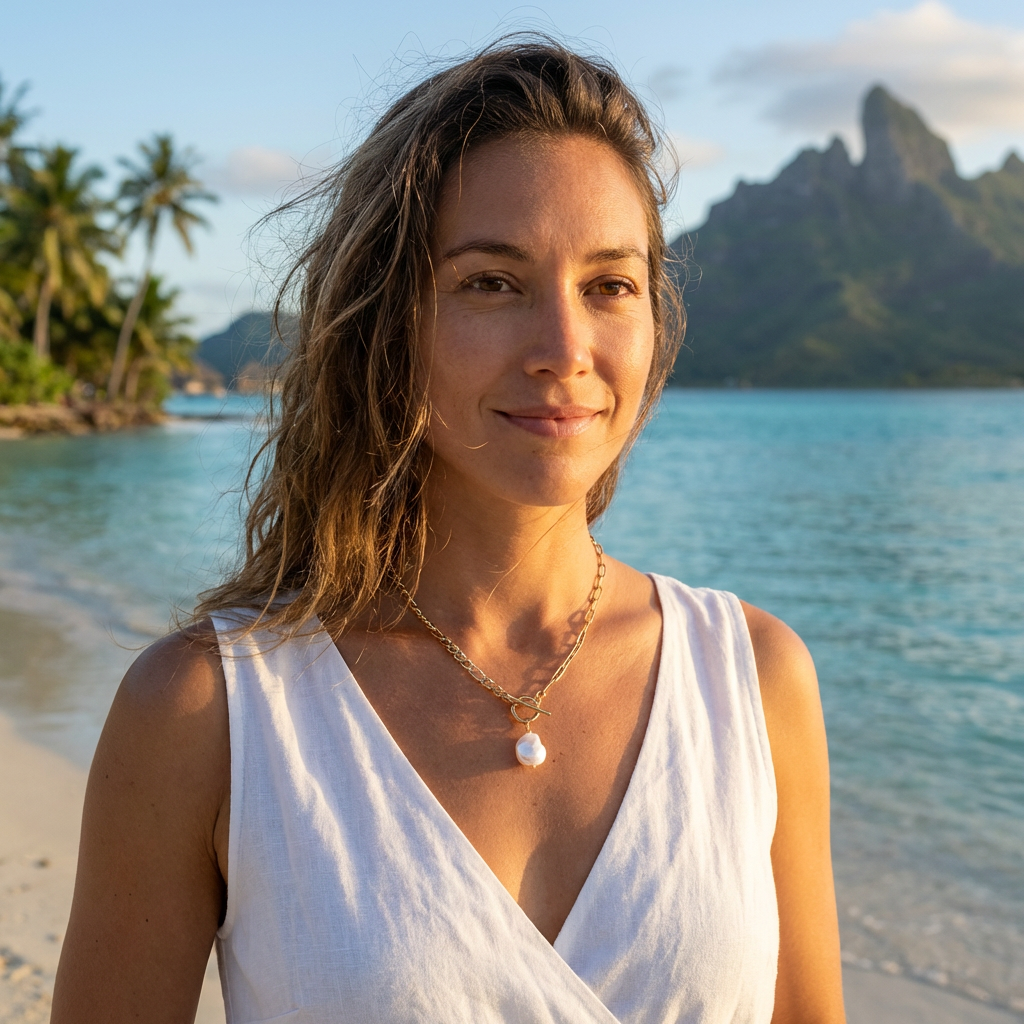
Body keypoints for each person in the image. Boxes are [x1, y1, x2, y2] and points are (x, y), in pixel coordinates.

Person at [52, 39, 845, 1024]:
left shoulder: (753, 679)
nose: (564, 350)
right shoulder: (210, 712)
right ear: (389, 321)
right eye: (491, 283)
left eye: (609, 285)